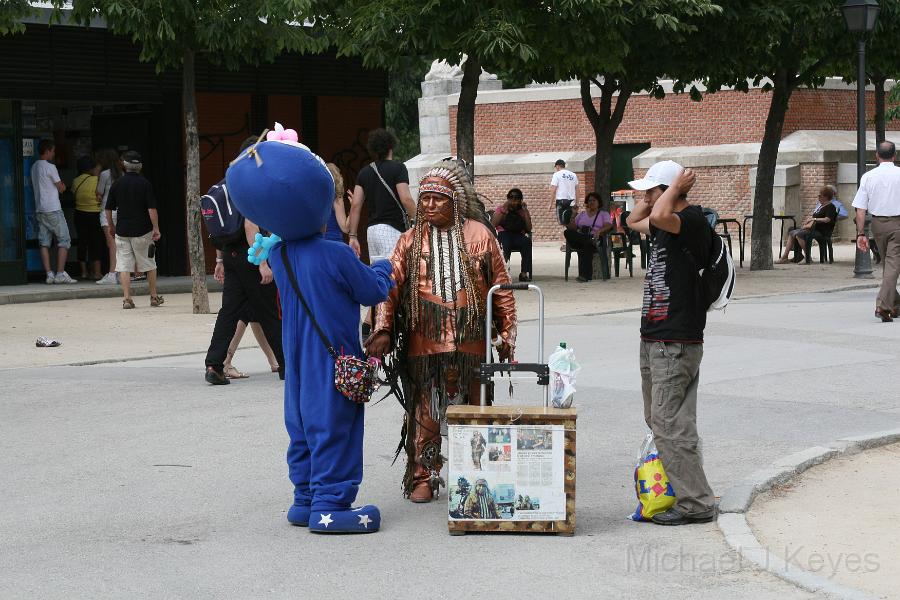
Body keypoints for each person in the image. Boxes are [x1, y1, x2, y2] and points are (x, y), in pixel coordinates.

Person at [226, 133, 394, 533]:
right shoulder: (335, 253)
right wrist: (387, 265)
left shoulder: (280, 254)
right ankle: (331, 504)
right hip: (333, 355)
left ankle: (304, 498)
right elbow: (372, 289)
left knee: (300, 421)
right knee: (333, 421)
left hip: (297, 355)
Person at [365, 161, 517, 503]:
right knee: (425, 414)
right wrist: (383, 327)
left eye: (438, 198)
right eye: (425, 198)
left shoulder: (480, 235)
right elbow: (388, 287)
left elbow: (502, 288)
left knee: (475, 409)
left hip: (472, 341)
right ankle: (424, 475)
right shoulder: (408, 241)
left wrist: (506, 335)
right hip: (424, 342)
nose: (430, 204)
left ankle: (478, 475)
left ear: (455, 202)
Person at [626, 159, 717, 526]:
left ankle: (695, 502)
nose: (644, 196)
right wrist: (651, 196)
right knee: (663, 420)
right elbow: (632, 222)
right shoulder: (664, 222)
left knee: (668, 422)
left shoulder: (690, 221)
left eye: (650, 189)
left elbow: (662, 216)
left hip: (676, 341)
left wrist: (675, 189)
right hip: (655, 337)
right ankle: (687, 491)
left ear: (669, 192)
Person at [203, 136, 285, 385]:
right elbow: (250, 224)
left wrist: (219, 259)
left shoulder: (228, 180)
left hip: (231, 254)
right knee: (270, 311)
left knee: (228, 311)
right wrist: (261, 262)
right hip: (250, 255)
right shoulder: (249, 183)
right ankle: (288, 365)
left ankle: (214, 365)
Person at [105, 151, 163, 309]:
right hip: (143, 231)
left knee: (124, 265)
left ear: (124, 165)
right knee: (149, 264)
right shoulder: (145, 184)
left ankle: (127, 299)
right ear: (140, 166)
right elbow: (152, 209)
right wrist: (156, 228)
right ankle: (153, 296)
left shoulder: (117, 184)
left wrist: (111, 226)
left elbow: (108, 209)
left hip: (122, 231)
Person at [347, 128, 416, 261]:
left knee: (378, 274)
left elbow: (355, 206)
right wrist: (422, 221)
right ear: (391, 146)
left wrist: (353, 236)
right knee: (394, 275)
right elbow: (406, 200)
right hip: (392, 229)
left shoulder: (364, 173)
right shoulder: (398, 168)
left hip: (371, 232)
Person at [853, 140, 900, 322]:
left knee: (889, 264)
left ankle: (894, 303)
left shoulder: (868, 177)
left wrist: (861, 233)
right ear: (894, 155)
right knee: (892, 264)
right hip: (898, 223)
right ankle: (883, 305)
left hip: (878, 225)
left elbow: (860, 209)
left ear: (877, 156)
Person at [31, 139, 76, 284]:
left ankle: (49, 274)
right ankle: (60, 273)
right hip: (53, 209)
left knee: (44, 242)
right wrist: (62, 185)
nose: (54, 153)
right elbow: (61, 188)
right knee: (64, 240)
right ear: (48, 150)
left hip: (40, 209)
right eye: (53, 151)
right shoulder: (50, 167)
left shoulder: (34, 167)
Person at [775, 187, 838, 264]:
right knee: (792, 231)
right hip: (813, 228)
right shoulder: (821, 206)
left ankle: (808, 257)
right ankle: (785, 257)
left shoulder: (830, 207)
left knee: (799, 234)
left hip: (821, 231)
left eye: (820, 196)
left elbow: (827, 219)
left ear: (825, 197)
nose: (818, 197)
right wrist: (809, 221)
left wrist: (814, 219)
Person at [564, 192, 613, 282]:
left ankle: (585, 276)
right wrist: (573, 214)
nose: (591, 202)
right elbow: (573, 228)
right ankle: (586, 275)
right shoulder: (582, 214)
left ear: (599, 202)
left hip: (596, 239)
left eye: (594, 200)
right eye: (589, 200)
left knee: (586, 245)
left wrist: (599, 231)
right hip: (583, 238)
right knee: (567, 232)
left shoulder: (603, 214)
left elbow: (608, 225)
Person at [491, 188, 533, 282]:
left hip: (518, 235)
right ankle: (504, 272)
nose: (514, 201)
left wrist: (525, 211)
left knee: (527, 242)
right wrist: (503, 210)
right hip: (504, 233)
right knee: (506, 244)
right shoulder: (501, 208)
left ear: (520, 200)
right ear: (508, 198)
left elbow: (529, 228)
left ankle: (524, 273)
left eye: (517, 198)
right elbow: (493, 224)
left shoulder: (522, 211)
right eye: (511, 198)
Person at [72, 156, 104, 280]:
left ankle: (84, 272)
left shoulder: (76, 181)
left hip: (79, 214)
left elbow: (75, 193)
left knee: (82, 242)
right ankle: (97, 272)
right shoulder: (97, 180)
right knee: (96, 242)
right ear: (90, 168)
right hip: (95, 214)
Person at [95, 149, 123, 285]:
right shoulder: (122, 174)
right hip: (119, 211)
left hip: (107, 211)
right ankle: (117, 272)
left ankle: (112, 273)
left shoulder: (105, 174)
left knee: (111, 243)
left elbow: (99, 192)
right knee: (117, 242)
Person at [324, 163, 350, 242]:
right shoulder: (336, 197)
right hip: (334, 241)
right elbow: (345, 228)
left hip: (319, 242)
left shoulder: (317, 196)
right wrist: (353, 208)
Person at [550, 159, 578, 226]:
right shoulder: (573, 175)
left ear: (557, 166)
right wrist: (577, 202)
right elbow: (577, 190)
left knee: (561, 222)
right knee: (571, 220)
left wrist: (550, 203)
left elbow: (553, 190)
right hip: (572, 201)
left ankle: (566, 234)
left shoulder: (556, 175)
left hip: (561, 201)